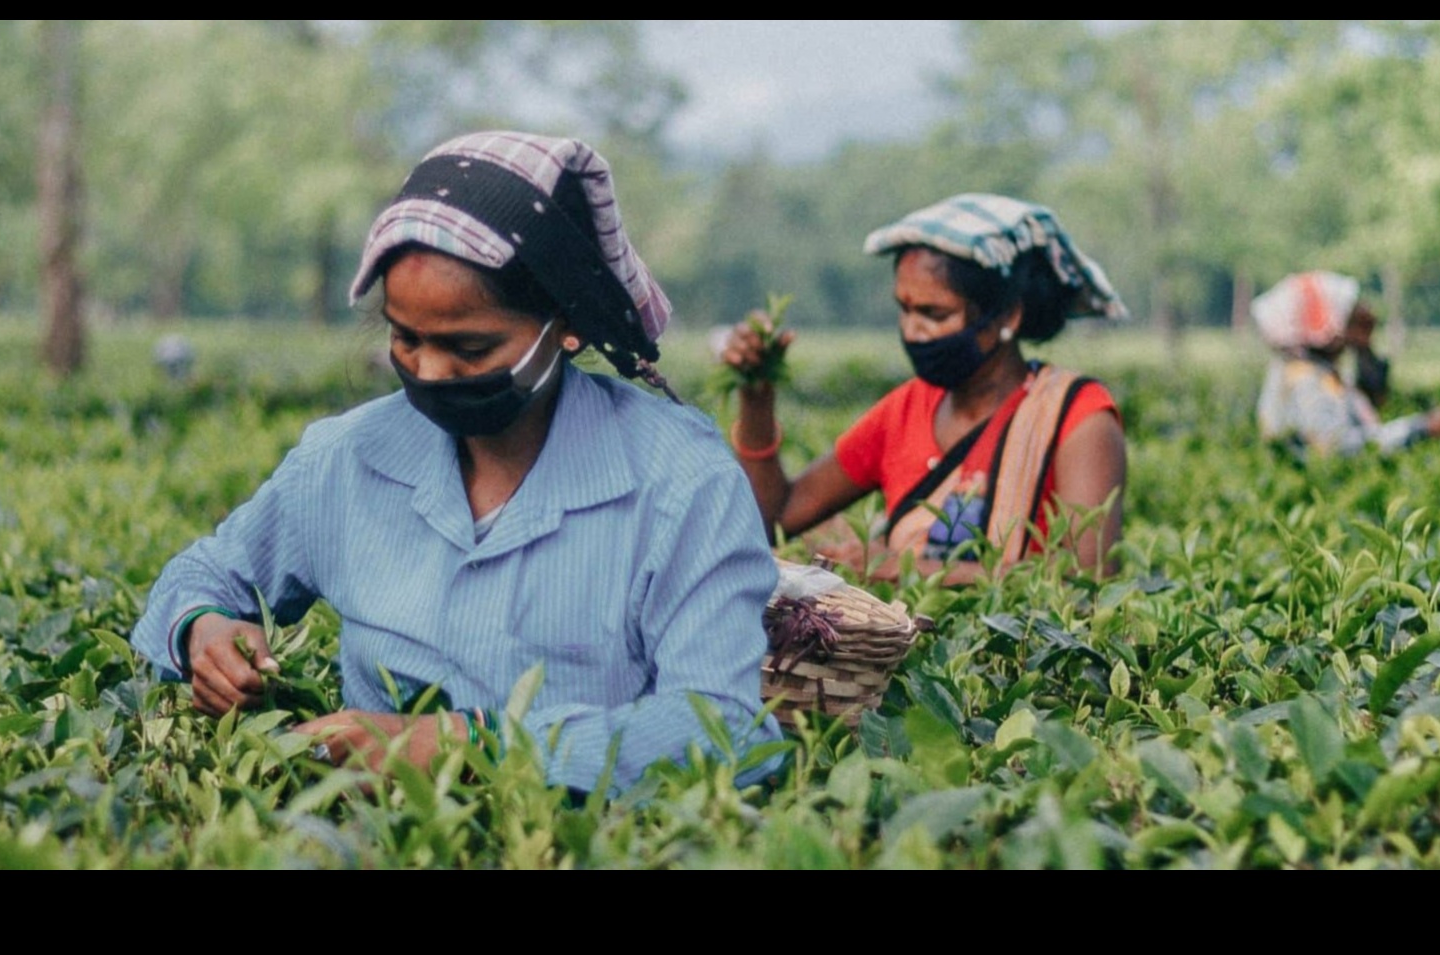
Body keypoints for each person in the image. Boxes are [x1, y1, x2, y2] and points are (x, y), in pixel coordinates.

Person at [128, 131, 783, 795]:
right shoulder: (344, 458)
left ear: (567, 323)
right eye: (405, 338)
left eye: (469, 346)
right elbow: (203, 575)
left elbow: (730, 727)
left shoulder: (680, 481)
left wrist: (469, 743)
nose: (431, 371)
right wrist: (202, 630)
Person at [718, 193, 1130, 584]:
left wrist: (908, 568)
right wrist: (757, 397)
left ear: (1007, 315)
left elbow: (1087, 579)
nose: (913, 331)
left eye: (935, 313)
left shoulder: (1077, 416)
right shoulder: (907, 407)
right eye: (905, 309)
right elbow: (776, 516)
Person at [1253, 270, 1440, 457]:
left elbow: (1373, 400)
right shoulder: (1303, 379)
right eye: (1348, 321)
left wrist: (1364, 349)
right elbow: (1337, 448)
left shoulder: (1321, 370)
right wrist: (1421, 428)